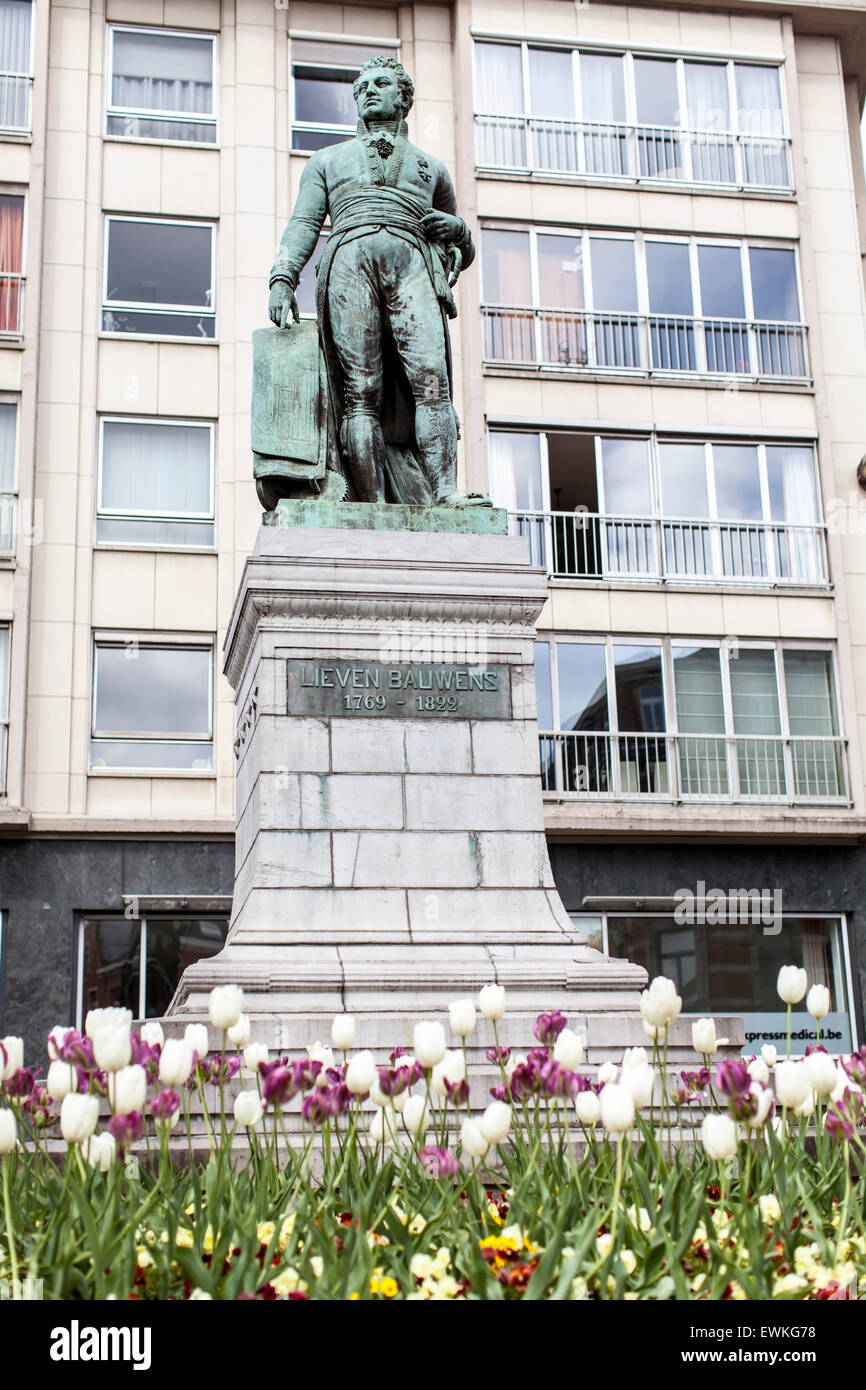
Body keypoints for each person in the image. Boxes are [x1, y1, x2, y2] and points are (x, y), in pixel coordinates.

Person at [267, 55, 488, 507]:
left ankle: (444, 493)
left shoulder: (433, 168)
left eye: (381, 82)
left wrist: (460, 234)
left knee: (432, 381)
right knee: (359, 391)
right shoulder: (327, 161)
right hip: (349, 260)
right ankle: (369, 503)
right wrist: (283, 278)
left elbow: (459, 242)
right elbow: (304, 223)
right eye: (362, 85)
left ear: (403, 97)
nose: (368, 90)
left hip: (412, 266)